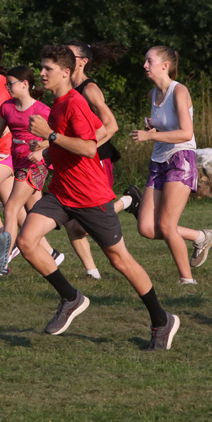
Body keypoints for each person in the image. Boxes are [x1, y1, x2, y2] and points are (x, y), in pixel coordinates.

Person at [17, 45, 179, 350]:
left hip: (90, 197)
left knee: (121, 261)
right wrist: (48, 151)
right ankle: (71, 297)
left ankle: (161, 320)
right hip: (62, 192)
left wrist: (50, 136)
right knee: (26, 241)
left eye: (47, 68)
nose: (41, 73)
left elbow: (90, 148)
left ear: (65, 72)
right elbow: (81, 140)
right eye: (41, 67)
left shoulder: (75, 103)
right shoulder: (58, 104)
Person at [0, 40, 62, 276]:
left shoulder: (42, 110)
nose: (7, 88)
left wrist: (42, 149)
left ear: (25, 85)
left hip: (34, 165)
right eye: (6, 85)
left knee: (11, 209)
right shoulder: (7, 107)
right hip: (17, 164)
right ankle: (50, 253)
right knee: (27, 212)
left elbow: (58, 137)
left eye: (11, 84)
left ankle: (2, 263)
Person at [130, 46, 212, 286]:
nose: (145, 65)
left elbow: (186, 133)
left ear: (165, 65)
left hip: (181, 159)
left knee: (167, 225)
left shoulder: (179, 91)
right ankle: (199, 236)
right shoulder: (152, 94)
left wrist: (150, 137)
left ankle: (187, 280)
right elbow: (162, 129)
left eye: (149, 61)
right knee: (146, 227)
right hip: (159, 161)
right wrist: (152, 132)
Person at [62, 41, 139, 280]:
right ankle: (92, 272)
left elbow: (111, 124)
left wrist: (87, 144)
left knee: (86, 222)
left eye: (70, 55)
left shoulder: (89, 88)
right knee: (72, 223)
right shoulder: (63, 89)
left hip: (97, 159)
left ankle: (128, 200)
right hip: (74, 161)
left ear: (83, 61)